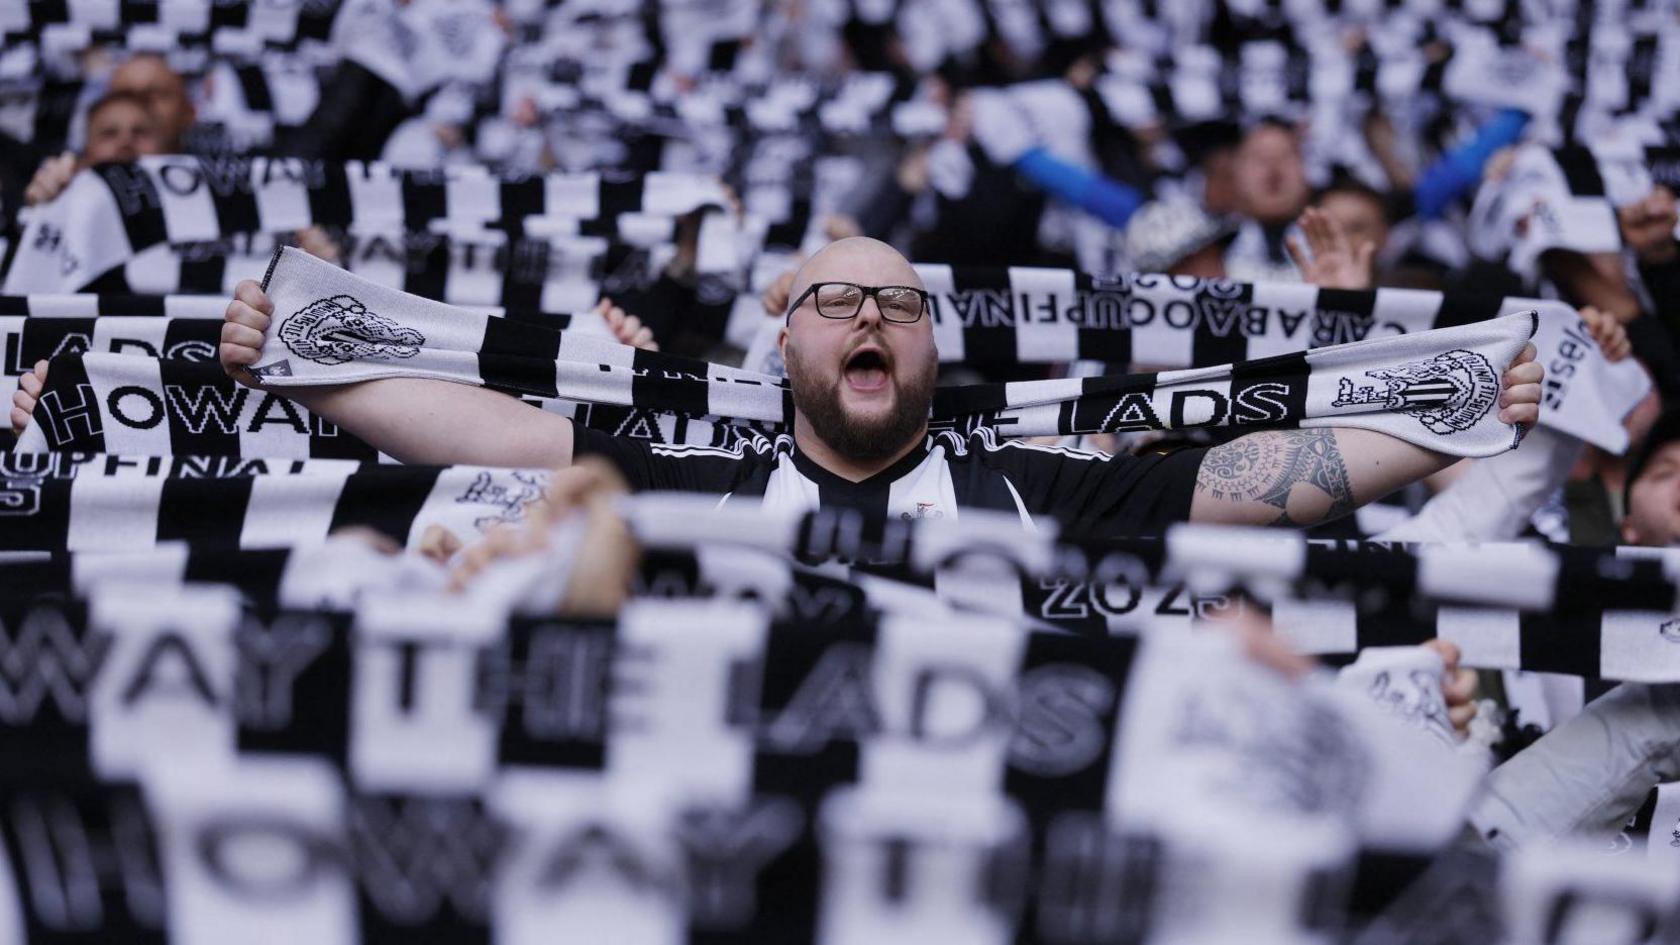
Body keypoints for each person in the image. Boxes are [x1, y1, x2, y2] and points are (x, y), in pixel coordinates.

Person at [90, 235, 1527, 537]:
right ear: (780, 343)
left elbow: (1248, 482)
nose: (871, 317)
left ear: (931, 355)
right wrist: (303, 358)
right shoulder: (679, 455)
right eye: (835, 297)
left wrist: (1459, 402)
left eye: (901, 304)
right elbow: (487, 426)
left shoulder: (1032, 478)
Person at [22, 53, 196, 206]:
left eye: (155, 94)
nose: (125, 142)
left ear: (189, 111)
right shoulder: (69, 180)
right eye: (124, 93)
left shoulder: (210, 179)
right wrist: (49, 204)